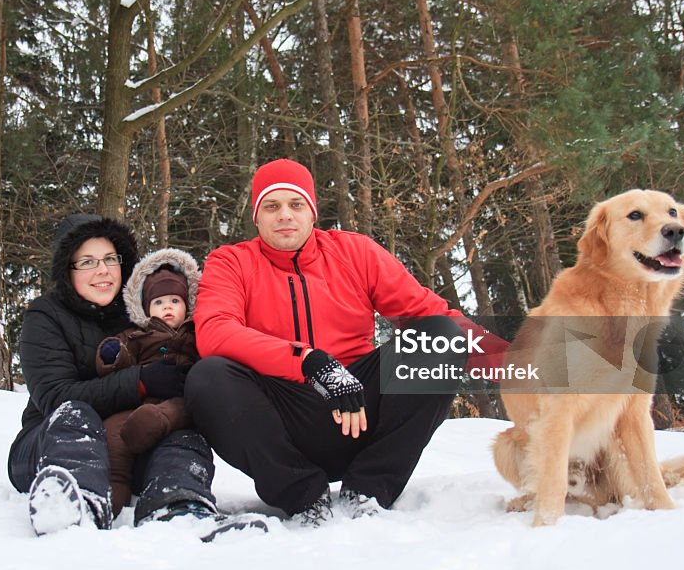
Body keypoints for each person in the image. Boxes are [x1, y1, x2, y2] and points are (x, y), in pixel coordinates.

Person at [185, 159, 509, 526]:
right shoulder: (231, 261)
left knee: (443, 337)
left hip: (361, 409)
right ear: (257, 217)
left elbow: (429, 313)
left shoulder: (355, 252)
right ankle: (303, 496)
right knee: (208, 376)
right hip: (284, 414)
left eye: (296, 204)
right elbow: (215, 330)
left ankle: (370, 488)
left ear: (312, 212)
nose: (285, 216)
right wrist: (308, 361)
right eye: (272, 207)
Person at [7, 214, 217, 535]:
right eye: (87, 262)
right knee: (76, 413)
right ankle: (78, 502)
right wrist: (141, 381)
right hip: (50, 444)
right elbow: (54, 396)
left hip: (129, 443)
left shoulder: (142, 312)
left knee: (181, 433)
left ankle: (177, 506)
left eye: (109, 259)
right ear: (68, 270)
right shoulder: (45, 317)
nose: (102, 270)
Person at [94, 248, 201, 517]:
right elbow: (123, 359)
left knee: (181, 410)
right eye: (159, 302)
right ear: (145, 308)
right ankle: (114, 489)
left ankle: (156, 421)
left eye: (175, 301)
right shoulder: (137, 335)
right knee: (114, 433)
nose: (167, 307)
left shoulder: (194, 333)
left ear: (187, 304)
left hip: (178, 400)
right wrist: (112, 354)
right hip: (137, 401)